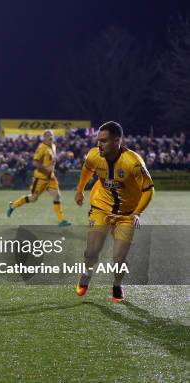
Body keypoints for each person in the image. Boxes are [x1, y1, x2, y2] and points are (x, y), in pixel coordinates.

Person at [74, 121, 154, 302]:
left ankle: (117, 284)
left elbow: (148, 189)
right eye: (98, 140)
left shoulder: (133, 162)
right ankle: (86, 274)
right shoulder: (94, 155)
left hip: (127, 214)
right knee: (92, 251)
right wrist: (80, 190)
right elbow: (87, 169)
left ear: (117, 140)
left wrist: (137, 213)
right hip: (101, 207)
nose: (98, 145)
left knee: (119, 259)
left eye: (103, 141)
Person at [7, 130, 71, 226]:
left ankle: (61, 220)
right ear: (43, 138)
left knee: (57, 196)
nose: (50, 137)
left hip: (51, 178)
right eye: (48, 135)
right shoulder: (41, 148)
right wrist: (46, 170)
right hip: (40, 178)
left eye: (51, 135)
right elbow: (35, 163)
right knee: (33, 198)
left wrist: (60, 167)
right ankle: (13, 205)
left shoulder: (53, 146)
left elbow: (51, 162)